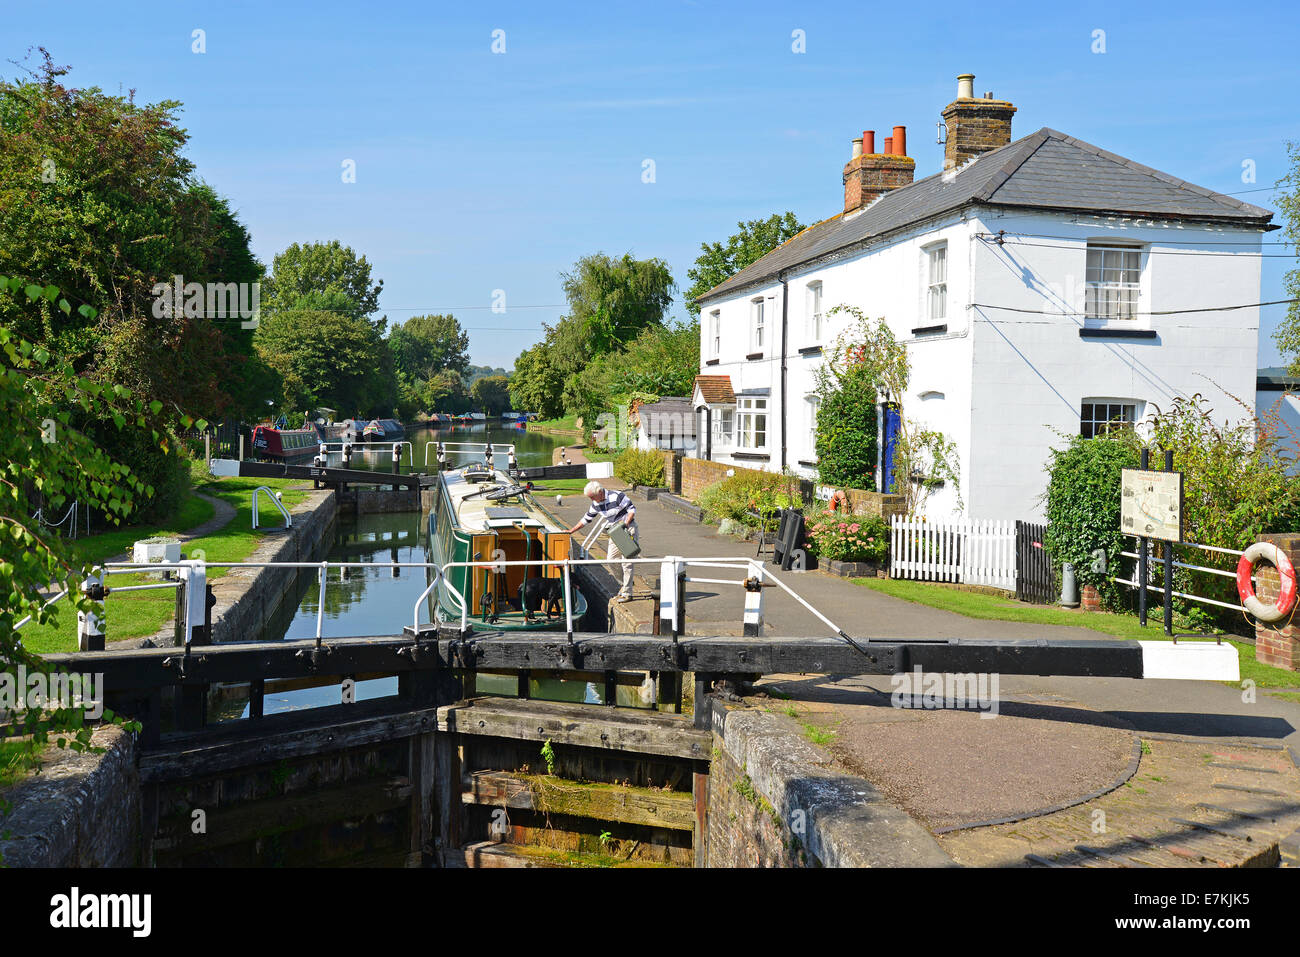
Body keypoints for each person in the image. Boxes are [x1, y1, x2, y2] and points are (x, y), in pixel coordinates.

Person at [567, 481, 638, 602]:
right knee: (611, 559)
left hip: (627, 528)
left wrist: (625, 524)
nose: (591, 500)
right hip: (614, 532)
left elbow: (632, 509)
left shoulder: (617, 496)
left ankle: (627, 592)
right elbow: (586, 519)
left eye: (592, 497)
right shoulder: (595, 503)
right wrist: (571, 531)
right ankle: (625, 583)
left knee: (627, 562)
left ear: (600, 492)